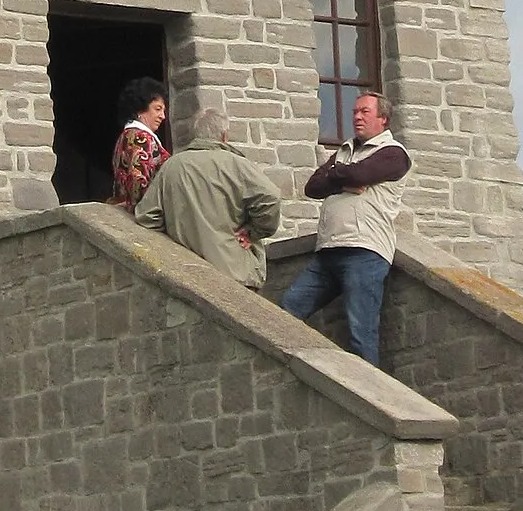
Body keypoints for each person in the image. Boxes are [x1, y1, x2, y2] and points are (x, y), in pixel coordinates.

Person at [281, 90, 410, 368]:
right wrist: (343, 178)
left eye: (365, 112)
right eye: (355, 112)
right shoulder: (345, 150)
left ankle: (375, 401)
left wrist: (337, 174)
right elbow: (313, 187)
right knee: (287, 310)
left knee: (361, 332)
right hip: (328, 251)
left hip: (364, 251)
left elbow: (359, 175)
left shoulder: (393, 154)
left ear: (383, 119)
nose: (357, 117)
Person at [134, 108, 282, 286]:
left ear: (195, 135)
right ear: (224, 136)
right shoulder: (238, 165)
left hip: (187, 274)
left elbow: (147, 217)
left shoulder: (171, 166)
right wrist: (252, 232)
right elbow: (271, 197)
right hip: (234, 272)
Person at [109, 77, 170, 211]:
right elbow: (139, 185)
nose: (162, 116)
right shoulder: (140, 138)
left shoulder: (128, 136)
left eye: (163, 110)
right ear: (140, 109)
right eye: (158, 109)